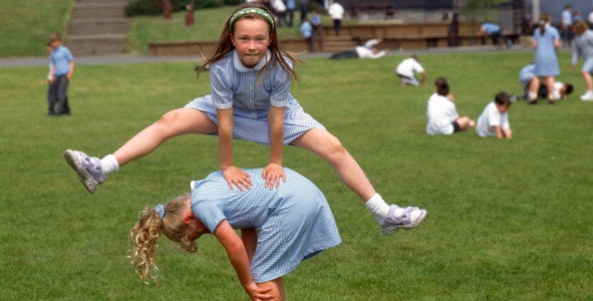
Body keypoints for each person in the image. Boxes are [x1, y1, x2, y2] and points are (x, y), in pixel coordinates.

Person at [64, 3, 427, 236]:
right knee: (170, 119)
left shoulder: (279, 69)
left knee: (334, 147)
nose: (252, 45)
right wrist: (228, 167)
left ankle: (384, 213)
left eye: (259, 39)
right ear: (232, 39)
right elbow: (224, 123)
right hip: (231, 112)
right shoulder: (223, 69)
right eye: (244, 39)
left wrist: (274, 161)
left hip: (275, 116)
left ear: (270, 39)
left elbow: (276, 120)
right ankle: (103, 167)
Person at [129, 168, 342, 301]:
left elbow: (234, 245)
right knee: (262, 271)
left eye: (198, 232)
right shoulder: (207, 186)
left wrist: (249, 284)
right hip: (300, 188)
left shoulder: (202, 204)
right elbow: (249, 222)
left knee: (263, 275)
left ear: (188, 219)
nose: (207, 231)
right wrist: (253, 271)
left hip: (291, 201)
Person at [529, 13, 561, 105]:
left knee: (536, 76)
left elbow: (535, 45)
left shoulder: (537, 31)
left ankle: (534, 96)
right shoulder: (553, 30)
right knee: (550, 76)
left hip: (539, 55)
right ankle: (551, 96)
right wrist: (556, 50)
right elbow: (556, 44)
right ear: (549, 20)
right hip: (550, 55)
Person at [48, 33, 74, 115]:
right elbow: (53, 65)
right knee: (57, 93)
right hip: (57, 75)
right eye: (52, 42)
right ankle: (66, 109)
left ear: (60, 42)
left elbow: (71, 61)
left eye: (56, 42)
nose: (54, 44)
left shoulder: (65, 50)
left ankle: (59, 110)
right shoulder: (53, 53)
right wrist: (51, 76)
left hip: (64, 74)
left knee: (61, 93)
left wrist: (70, 73)